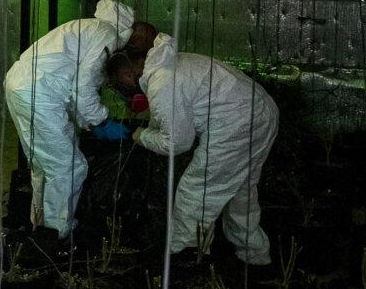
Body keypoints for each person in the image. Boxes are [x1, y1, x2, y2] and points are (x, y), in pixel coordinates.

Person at [107, 34, 279, 264]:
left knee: (196, 191)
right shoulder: (164, 64)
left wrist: (142, 136)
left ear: (128, 75)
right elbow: (172, 115)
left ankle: (187, 259)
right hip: (260, 111)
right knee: (241, 190)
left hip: (238, 124)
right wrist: (150, 128)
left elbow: (177, 143)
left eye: (120, 86)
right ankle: (255, 255)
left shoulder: (162, 83)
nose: (124, 92)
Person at [3, 0, 155, 239]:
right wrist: (101, 121)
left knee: (46, 166)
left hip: (25, 86)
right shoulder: (107, 34)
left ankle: (40, 230)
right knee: (69, 167)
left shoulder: (89, 28)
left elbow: (76, 88)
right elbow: (83, 88)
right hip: (40, 92)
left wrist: (92, 121)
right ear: (136, 39)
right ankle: (57, 236)